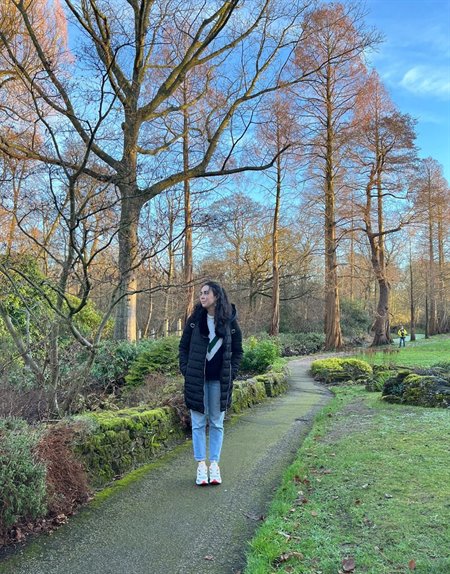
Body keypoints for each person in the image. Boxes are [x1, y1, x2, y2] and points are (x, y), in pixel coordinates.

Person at [179, 281, 243, 486]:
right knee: (198, 424)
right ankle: (201, 466)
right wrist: (187, 371)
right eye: (201, 293)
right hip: (197, 381)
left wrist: (231, 374)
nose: (202, 296)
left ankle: (214, 464)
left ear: (217, 295)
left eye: (206, 293)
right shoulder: (194, 321)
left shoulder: (229, 321)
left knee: (216, 423)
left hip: (219, 381)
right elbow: (183, 348)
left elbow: (238, 352)